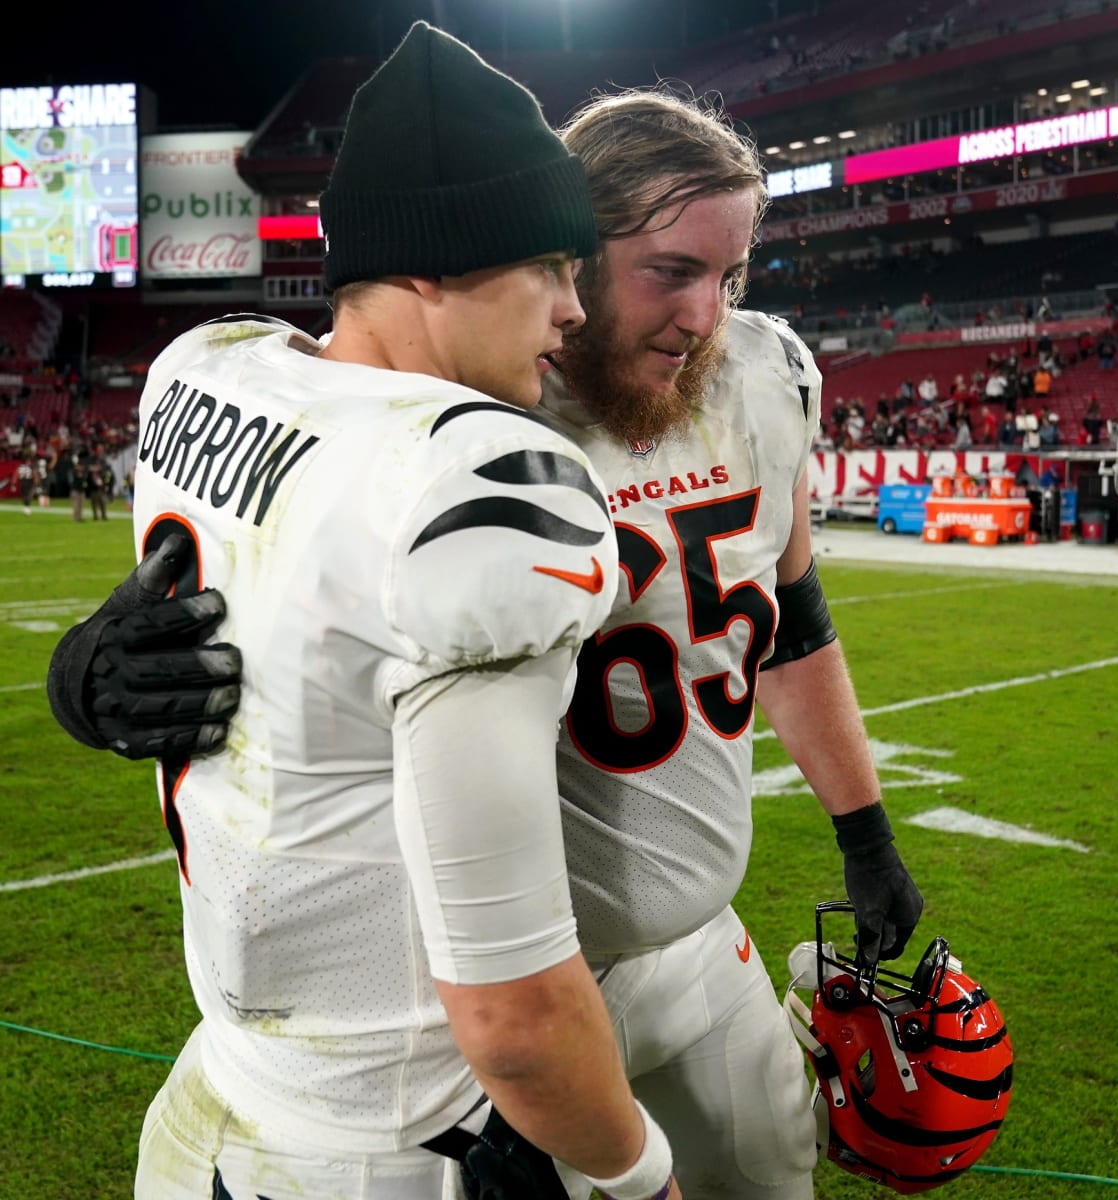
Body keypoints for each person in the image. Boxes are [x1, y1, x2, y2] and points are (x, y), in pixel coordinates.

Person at [48, 83, 923, 1200]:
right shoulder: (459, 416)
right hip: (508, 979)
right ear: (563, 248)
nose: (709, 314)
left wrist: (865, 831)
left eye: (731, 273)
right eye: (669, 271)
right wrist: (85, 671)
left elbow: (791, 622)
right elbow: (286, 543)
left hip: (694, 941)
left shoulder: (762, 378)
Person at [48, 24, 681, 1200]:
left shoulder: (207, 369)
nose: (572, 311)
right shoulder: (477, 485)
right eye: (547, 267)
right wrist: (641, 1178)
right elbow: (516, 1010)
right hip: (390, 1139)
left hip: (213, 1097)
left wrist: (72, 674)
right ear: (432, 266)